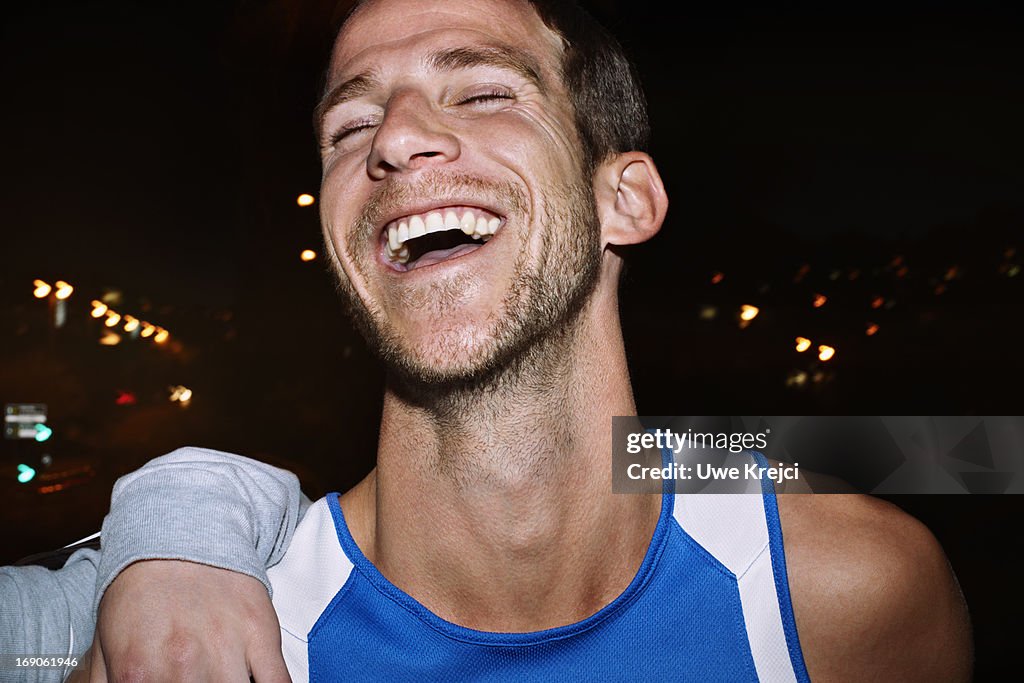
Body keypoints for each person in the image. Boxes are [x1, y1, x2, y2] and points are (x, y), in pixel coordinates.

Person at [2, 0, 971, 681]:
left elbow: (921, 453)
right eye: (350, 125)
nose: (394, 139)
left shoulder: (853, 597)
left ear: (623, 197)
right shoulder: (221, 639)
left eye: (481, 93)